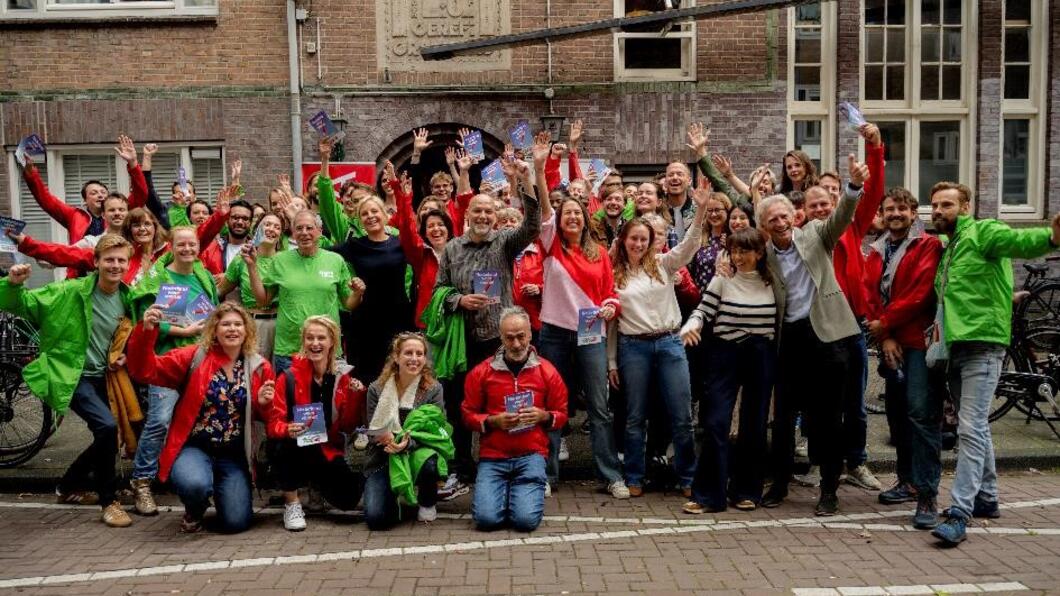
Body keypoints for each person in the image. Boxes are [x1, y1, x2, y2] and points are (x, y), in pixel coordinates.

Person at [927, 182, 1060, 546]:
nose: (938, 210)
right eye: (935, 205)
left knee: (969, 429)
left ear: (966, 207)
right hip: (954, 347)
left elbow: (1018, 241)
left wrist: (1051, 236)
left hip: (983, 347)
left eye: (947, 205)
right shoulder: (947, 246)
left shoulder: (983, 233)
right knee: (977, 427)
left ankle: (959, 512)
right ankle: (987, 497)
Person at [759, 153, 868, 516]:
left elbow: (841, 217)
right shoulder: (765, 254)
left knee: (828, 416)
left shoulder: (817, 235)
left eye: (784, 216)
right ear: (765, 224)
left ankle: (829, 489)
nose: (779, 222)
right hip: (788, 340)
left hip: (826, 336)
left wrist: (853, 187)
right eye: (772, 218)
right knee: (785, 415)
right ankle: (778, 483)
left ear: (796, 217)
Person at [0, 235, 136, 527]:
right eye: (109, 259)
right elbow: (22, 305)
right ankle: (108, 501)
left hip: (106, 377)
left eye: (120, 260)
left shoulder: (128, 298)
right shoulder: (69, 292)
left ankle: (69, 485)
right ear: (96, 262)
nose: (115, 265)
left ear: (128, 263)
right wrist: (12, 283)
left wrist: (126, 354)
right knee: (107, 427)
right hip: (72, 375)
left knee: (109, 435)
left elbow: (130, 336)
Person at [433, 153, 540, 491]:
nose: (482, 215)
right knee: (462, 405)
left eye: (488, 211)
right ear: (467, 215)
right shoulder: (451, 248)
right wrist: (459, 300)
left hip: (499, 339)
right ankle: (462, 467)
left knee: (502, 402)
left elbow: (533, 225)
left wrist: (525, 182)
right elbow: (439, 290)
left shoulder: (505, 241)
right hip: (463, 341)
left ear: (496, 217)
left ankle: (504, 464)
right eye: (477, 210)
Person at [532, 133, 626, 498]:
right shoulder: (550, 243)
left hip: (591, 335)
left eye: (577, 213)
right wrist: (540, 169)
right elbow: (543, 206)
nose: (571, 216)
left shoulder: (599, 253)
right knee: (553, 405)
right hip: (554, 332)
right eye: (565, 213)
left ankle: (609, 474)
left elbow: (610, 294)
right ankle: (547, 474)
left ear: (586, 219)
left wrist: (610, 307)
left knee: (599, 408)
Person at [127, 303, 274, 533]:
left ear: (247, 330)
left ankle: (220, 490)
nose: (232, 329)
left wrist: (264, 404)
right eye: (225, 324)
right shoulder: (193, 357)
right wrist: (147, 331)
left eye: (238, 324)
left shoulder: (259, 367)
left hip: (233, 453)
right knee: (195, 484)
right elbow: (143, 370)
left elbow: (266, 418)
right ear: (214, 329)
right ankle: (196, 506)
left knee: (236, 523)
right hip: (195, 447)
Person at [606, 180, 709, 497]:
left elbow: (691, 244)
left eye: (643, 239)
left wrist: (701, 208)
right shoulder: (614, 274)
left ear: (652, 242)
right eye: (633, 239)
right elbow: (611, 323)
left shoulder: (663, 264)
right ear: (623, 241)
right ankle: (635, 476)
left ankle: (688, 478)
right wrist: (611, 362)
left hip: (669, 343)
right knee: (635, 416)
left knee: (681, 415)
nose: (638, 244)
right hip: (632, 346)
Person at [801, 123, 887, 492]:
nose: (821, 208)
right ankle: (820, 464)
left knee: (855, 402)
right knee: (818, 403)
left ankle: (857, 461)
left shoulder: (850, 229)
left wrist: (875, 150)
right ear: (804, 211)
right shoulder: (801, 240)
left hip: (851, 326)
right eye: (813, 204)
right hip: (817, 329)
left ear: (835, 205)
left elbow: (872, 195)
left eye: (826, 203)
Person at [680, 228, 777, 513]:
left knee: (754, 424)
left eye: (745, 251)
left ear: (759, 253)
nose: (738, 256)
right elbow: (702, 311)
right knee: (716, 422)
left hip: (761, 355)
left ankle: (746, 490)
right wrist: (691, 325)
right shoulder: (722, 280)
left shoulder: (773, 282)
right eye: (734, 251)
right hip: (725, 353)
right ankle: (709, 495)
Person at [126, 225, 221, 515]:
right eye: (181, 244)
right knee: (160, 421)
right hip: (168, 361)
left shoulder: (202, 274)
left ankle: (187, 479)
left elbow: (213, 313)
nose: (187, 249)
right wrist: (184, 330)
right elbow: (153, 322)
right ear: (171, 246)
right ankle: (141, 483)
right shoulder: (164, 278)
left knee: (196, 421)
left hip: (200, 361)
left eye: (192, 244)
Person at [863, 187, 944, 527]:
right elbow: (868, 293)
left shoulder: (927, 245)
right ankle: (906, 480)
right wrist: (886, 337)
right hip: (891, 342)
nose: (895, 214)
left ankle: (927, 495)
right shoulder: (877, 250)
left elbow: (920, 293)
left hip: (918, 343)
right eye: (889, 209)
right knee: (898, 416)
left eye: (901, 209)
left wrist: (887, 325)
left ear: (913, 213)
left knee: (921, 415)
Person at [462, 308, 568, 531]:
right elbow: (467, 415)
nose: (517, 344)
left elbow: (562, 415)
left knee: (525, 521)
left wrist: (544, 416)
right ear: (501, 337)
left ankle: (516, 492)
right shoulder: (482, 373)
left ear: (530, 334)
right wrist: (492, 421)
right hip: (493, 456)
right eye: (509, 338)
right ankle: (507, 492)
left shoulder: (548, 371)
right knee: (487, 520)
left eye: (521, 336)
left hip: (531, 455)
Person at [267, 316, 367, 531]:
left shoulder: (343, 378)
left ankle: (317, 485)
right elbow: (274, 423)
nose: (315, 344)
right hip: (295, 448)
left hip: (326, 448)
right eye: (310, 338)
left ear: (332, 342)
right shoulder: (288, 377)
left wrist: (356, 397)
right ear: (303, 342)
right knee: (282, 444)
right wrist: (287, 429)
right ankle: (292, 504)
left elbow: (348, 427)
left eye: (321, 338)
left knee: (349, 499)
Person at [258, 210, 365, 376]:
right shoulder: (280, 260)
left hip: (327, 349)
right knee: (291, 400)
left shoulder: (335, 260)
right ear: (293, 233)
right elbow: (264, 300)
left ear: (320, 232)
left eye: (309, 228)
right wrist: (251, 266)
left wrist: (358, 293)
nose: (304, 233)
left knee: (328, 401)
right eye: (299, 228)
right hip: (289, 350)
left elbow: (348, 304)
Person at [362, 332, 447, 529]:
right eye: (408, 353)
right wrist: (385, 438)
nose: (414, 359)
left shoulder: (434, 389)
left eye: (420, 354)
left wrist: (407, 442)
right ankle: (394, 497)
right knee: (377, 520)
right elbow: (373, 431)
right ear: (396, 357)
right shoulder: (376, 389)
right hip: (383, 456)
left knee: (429, 461)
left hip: (418, 452)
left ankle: (427, 500)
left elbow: (434, 431)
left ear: (425, 359)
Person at [328, 193, 414, 380]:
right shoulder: (354, 246)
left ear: (385, 215)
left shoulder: (401, 244)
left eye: (375, 211)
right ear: (360, 220)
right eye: (365, 214)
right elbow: (324, 254)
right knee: (367, 378)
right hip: (365, 325)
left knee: (398, 375)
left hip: (398, 319)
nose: (370, 216)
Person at [18, 135, 147, 249]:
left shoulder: (119, 212)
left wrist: (133, 163)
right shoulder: (73, 216)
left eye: (103, 192)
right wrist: (31, 174)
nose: (100, 195)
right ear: (85, 200)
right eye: (94, 193)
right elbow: (47, 201)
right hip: (81, 270)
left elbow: (141, 194)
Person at [219, 214, 282, 360]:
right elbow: (220, 291)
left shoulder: (285, 260)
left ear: (280, 235)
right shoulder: (241, 259)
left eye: (277, 227)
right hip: (252, 323)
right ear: (256, 230)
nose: (271, 229)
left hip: (280, 324)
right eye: (267, 224)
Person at [201, 199, 255, 278]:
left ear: (250, 223)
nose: (240, 222)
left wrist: (228, 278)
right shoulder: (210, 249)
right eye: (235, 217)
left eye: (245, 219)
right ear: (227, 220)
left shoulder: (257, 250)